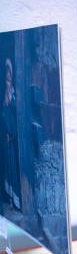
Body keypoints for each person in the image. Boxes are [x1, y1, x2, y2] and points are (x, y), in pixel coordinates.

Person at [4, 57, 20, 210]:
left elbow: (14, 109)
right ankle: (8, 199)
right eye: (6, 72)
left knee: (13, 166)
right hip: (6, 135)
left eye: (10, 72)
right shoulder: (4, 90)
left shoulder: (12, 90)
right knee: (7, 167)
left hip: (12, 134)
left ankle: (14, 201)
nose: (8, 74)